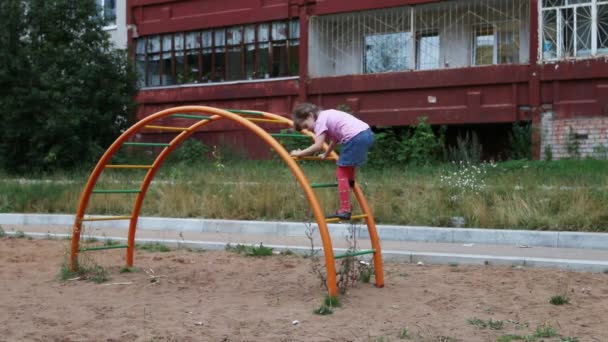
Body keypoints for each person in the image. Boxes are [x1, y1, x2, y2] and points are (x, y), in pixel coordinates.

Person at [290, 103, 374, 220]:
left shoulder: (319, 121)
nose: (308, 129)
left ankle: (345, 209)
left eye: (305, 125)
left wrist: (298, 153)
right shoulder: (327, 115)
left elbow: (318, 145)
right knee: (347, 164)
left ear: (309, 116)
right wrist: (326, 153)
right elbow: (335, 139)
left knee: (341, 173)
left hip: (355, 137)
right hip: (367, 133)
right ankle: (349, 181)